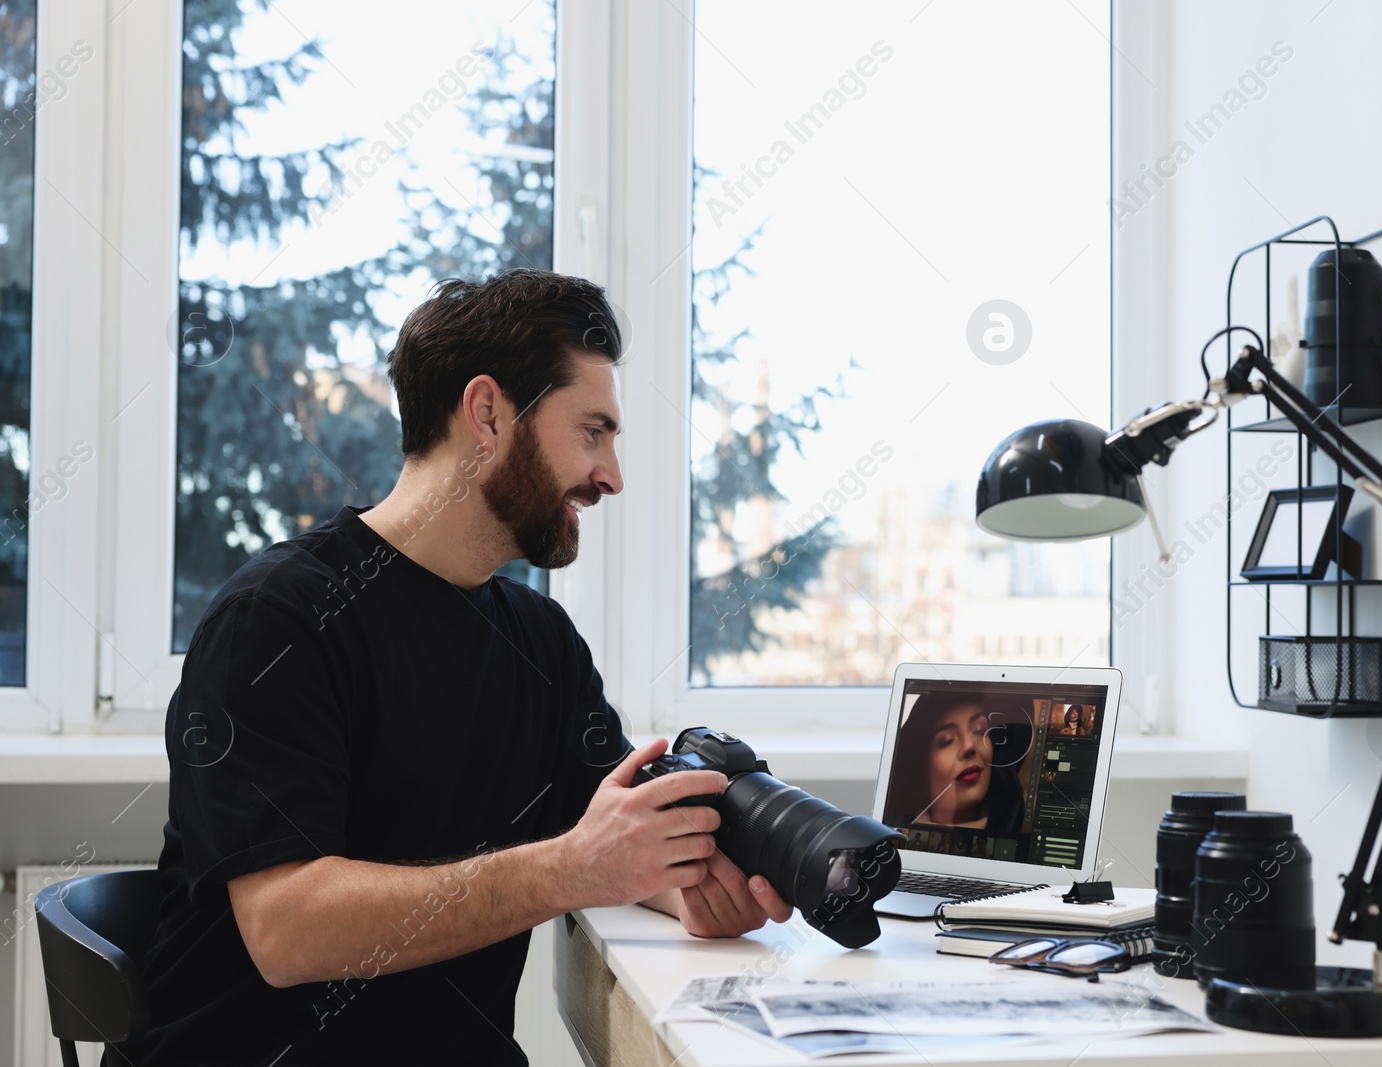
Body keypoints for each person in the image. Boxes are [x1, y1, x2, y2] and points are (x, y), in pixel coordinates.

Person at [123, 270, 791, 1067]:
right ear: (487, 413)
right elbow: (286, 928)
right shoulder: (279, 619)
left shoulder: (539, 642)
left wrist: (689, 883)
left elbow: (609, 837)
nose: (612, 474)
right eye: (592, 431)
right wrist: (573, 868)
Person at [884, 692, 1026, 833]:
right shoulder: (895, 839)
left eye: (979, 730)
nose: (969, 746)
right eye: (948, 740)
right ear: (920, 768)